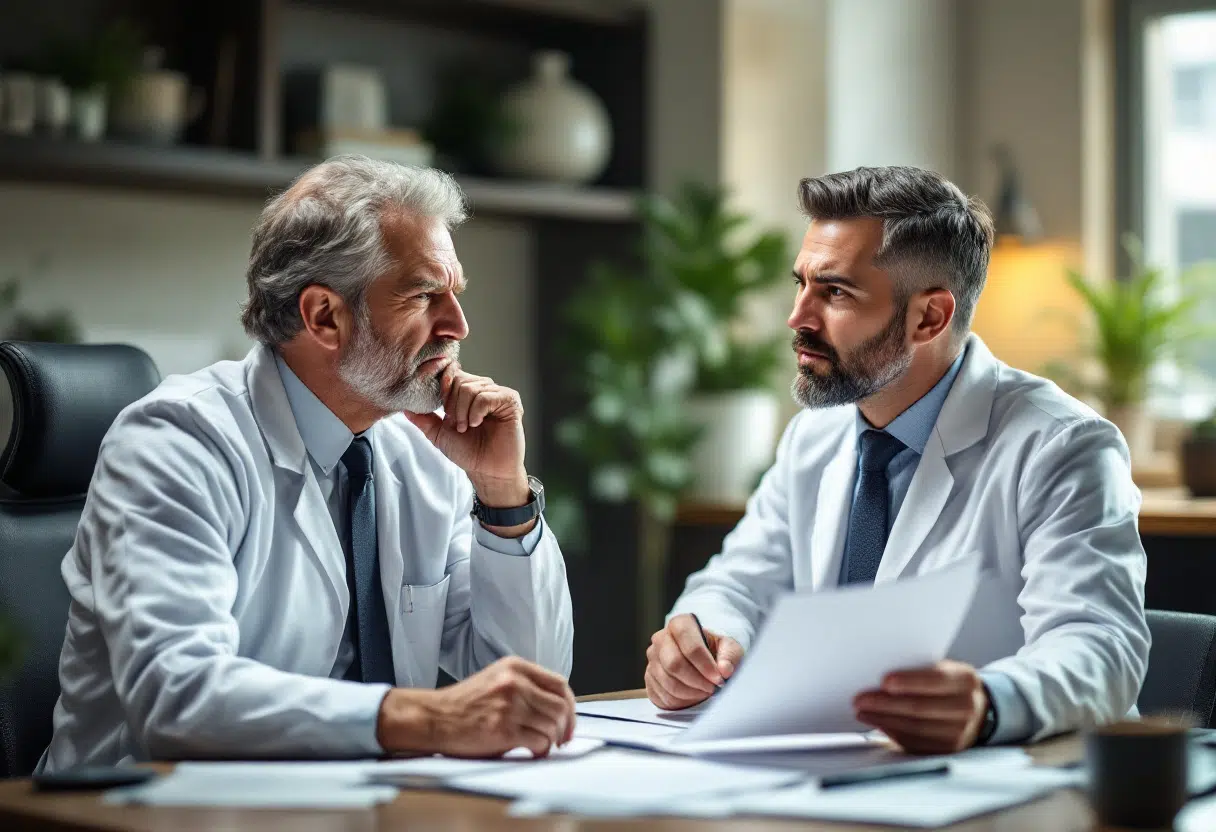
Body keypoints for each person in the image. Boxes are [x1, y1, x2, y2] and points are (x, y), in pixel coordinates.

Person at [39, 157, 575, 771]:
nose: (458, 324)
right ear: (325, 316)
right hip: (143, 811)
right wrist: (424, 718)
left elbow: (532, 682)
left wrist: (502, 494)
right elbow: (177, 697)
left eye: (455, 293)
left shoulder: (421, 454)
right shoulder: (176, 443)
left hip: (357, 807)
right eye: (425, 294)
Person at [645, 166, 1149, 754]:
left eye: (835, 292)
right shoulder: (815, 437)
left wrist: (990, 703)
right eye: (801, 283)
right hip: (838, 780)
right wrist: (703, 637)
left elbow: (1101, 646)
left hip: (1012, 789)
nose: (798, 317)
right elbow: (737, 583)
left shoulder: (1062, 445)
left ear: (929, 317)